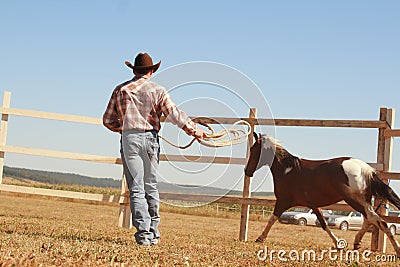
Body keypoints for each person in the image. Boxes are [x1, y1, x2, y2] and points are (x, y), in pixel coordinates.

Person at [103, 52, 206, 246]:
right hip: (151, 139)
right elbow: (174, 114)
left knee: (136, 187)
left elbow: (107, 120)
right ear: (151, 71)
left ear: (134, 70)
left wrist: (124, 129)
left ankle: (143, 235)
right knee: (151, 185)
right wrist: (194, 131)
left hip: (129, 139)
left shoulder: (120, 90)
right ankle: (154, 233)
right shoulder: (158, 90)